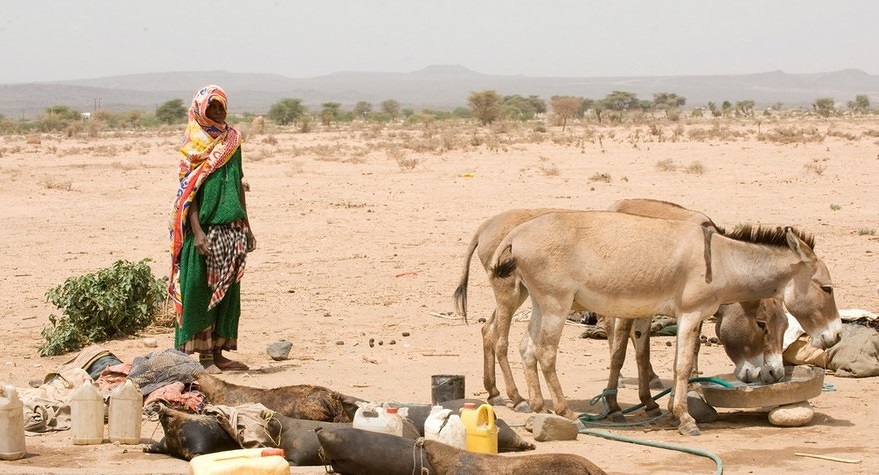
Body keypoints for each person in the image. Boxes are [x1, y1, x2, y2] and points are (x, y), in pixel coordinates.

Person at [168, 85, 256, 373]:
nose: (217, 112)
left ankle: (218, 354)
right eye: (212, 107)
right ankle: (203, 358)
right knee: (199, 293)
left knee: (228, 294)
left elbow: (239, 183)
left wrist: (247, 226)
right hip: (204, 230)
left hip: (232, 227)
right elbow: (188, 194)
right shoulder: (192, 144)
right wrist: (198, 232)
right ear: (200, 109)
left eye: (220, 107)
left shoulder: (233, 140)